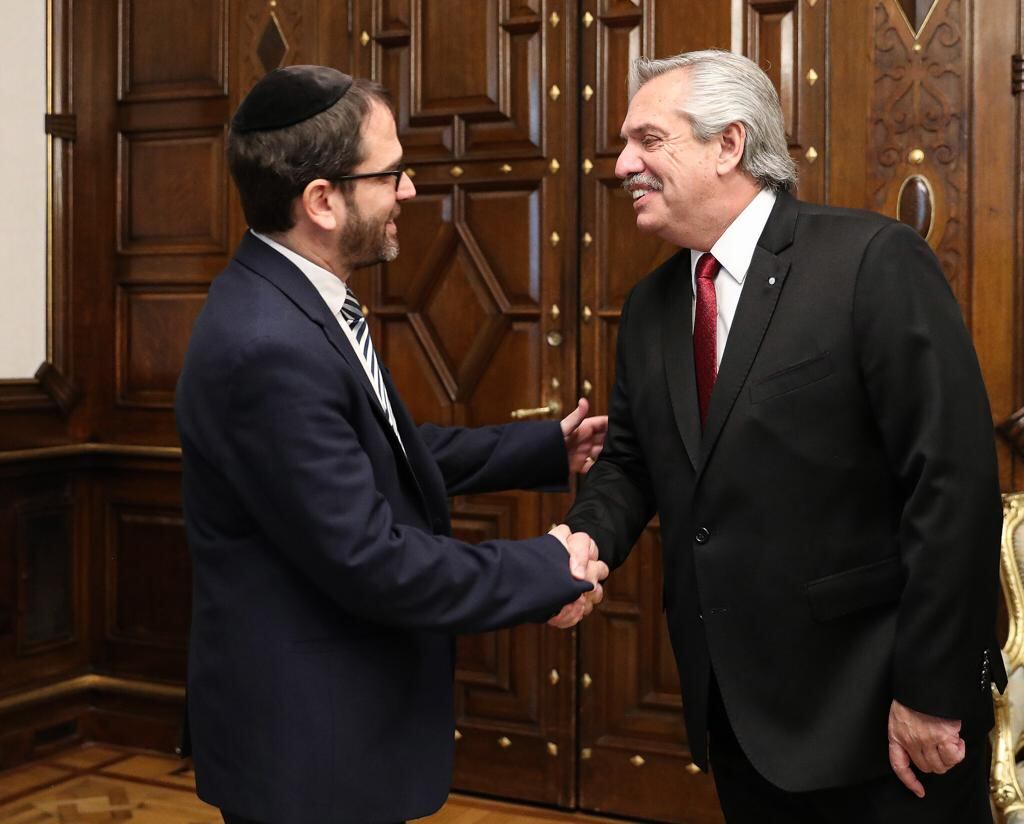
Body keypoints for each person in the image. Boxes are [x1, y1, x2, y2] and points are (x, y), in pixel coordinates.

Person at [565, 49, 1005, 823]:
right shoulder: (650, 306)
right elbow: (632, 461)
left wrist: (931, 696)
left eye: (648, 139)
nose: (622, 163)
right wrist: (582, 545)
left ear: (728, 144)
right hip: (736, 715)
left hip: (878, 716)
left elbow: (952, 486)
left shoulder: (870, 262)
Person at [175, 65, 608, 824]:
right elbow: (369, 557)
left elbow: (377, 453)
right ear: (323, 202)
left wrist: (544, 449)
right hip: (308, 753)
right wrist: (544, 566)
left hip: (332, 736)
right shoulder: (268, 344)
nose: (409, 191)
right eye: (392, 174)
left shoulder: (290, 302)